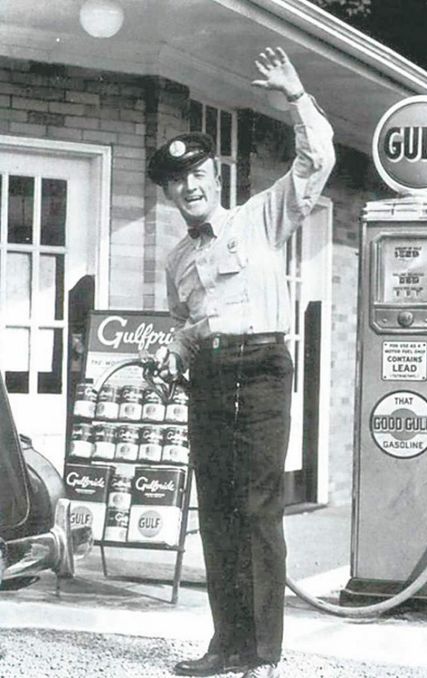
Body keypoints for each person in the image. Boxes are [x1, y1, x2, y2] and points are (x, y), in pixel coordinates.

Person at [147, 47, 335, 678]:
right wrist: (174, 352)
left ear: (215, 177)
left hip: (259, 371)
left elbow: (317, 161)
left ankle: (260, 653)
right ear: (170, 191)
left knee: (256, 508)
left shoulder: (259, 219)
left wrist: (295, 95)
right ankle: (224, 646)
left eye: (198, 173)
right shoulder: (176, 260)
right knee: (217, 508)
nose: (190, 186)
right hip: (208, 378)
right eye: (177, 180)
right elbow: (186, 322)